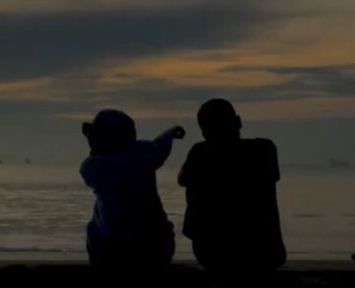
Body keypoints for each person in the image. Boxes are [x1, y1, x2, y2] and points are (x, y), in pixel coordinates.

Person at [178, 98, 286, 280]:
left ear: (204, 131)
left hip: (213, 255)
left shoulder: (200, 153)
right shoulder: (264, 149)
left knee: (195, 186)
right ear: (238, 121)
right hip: (267, 254)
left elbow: (183, 179)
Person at [80, 108, 185, 272]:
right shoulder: (144, 154)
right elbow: (160, 147)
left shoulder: (92, 167)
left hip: (113, 248)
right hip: (155, 245)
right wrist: (170, 134)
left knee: (94, 227)